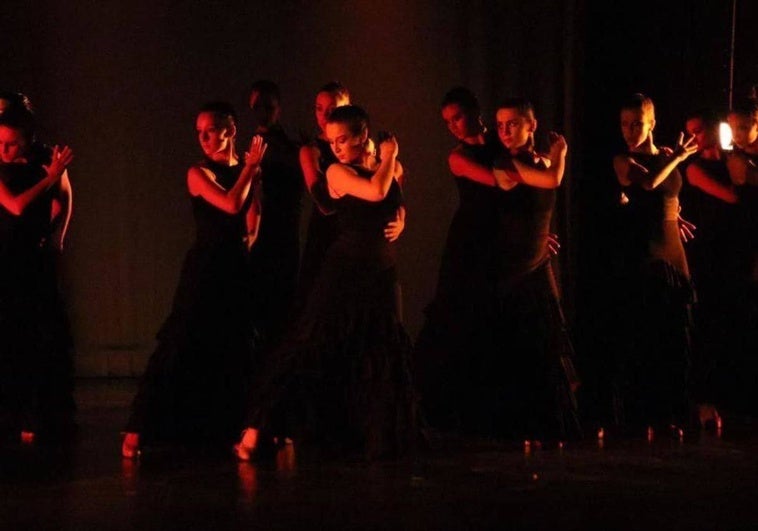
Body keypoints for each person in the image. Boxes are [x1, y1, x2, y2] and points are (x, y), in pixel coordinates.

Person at [235, 105, 414, 461]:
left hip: (381, 271)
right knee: (312, 342)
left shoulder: (383, 167)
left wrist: (402, 219)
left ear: (363, 134)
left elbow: (393, 199)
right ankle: (257, 428)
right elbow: (377, 192)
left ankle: (374, 436)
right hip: (346, 270)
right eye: (332, 141)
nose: (337, 147)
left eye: (344, 139)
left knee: (381, 347)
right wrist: (391, 157)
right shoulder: (336, 171)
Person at [121, 102, 266, 458]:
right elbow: (231, 205)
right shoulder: (197, 173)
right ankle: (136, 431)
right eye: (198, 132)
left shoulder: (247, 171)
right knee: (182, 338)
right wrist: (249, 170)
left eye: (210, 130)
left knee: (233, 345)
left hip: (234, 268)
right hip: (204, 268)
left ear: (229, 130)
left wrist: (248, 247)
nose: (202, 138)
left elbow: (251, 215)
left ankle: (225, 428)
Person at [488, 98, 580, 443]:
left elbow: (538, 207)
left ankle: (549, 424)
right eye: (499, 125)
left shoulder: (540, 161)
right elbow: (553, 180)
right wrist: (562, 153)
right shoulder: (504, 162)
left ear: (531, 125)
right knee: (524, 343)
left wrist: (545, 236)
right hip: (514, 265)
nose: (505, 131)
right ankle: (524, 426)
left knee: (548, 341)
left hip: (538, 259)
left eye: (512, 123)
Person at [413, 87, 504, 434]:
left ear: (475, 109)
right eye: (447, 122)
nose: (453, 126)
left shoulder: (500, 141)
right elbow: (500, 183)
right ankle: (448, 408)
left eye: (458, 117)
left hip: (501, 238)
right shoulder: (458, 156)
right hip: (469, 242)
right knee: (459, 314)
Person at [611, 93, 697, 434]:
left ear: (652, 124)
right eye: (624, 124)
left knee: (675, 334)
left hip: (673, 248)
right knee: (647, 335)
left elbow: (667, 193)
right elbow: (649, 182)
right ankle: (643, 415)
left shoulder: (664, 156)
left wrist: (676, 216)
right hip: (644, 252)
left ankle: (673, 413)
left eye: (636, 124)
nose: (630, 131)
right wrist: (676, 157)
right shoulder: (622, 160)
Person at [0, 107, 75, 444]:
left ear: (27, 140)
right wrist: (49, 176)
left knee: (40, 334)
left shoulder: (45, 158)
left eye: (12, 144)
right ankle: (12, 413)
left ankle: (38, 412)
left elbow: (63, 197)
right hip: (5, 257)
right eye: (0, 142)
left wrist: (57, 236)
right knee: (10, 334)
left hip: (33, 255)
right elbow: (14, 206)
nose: (4, 150)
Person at [297, 82, 404, 310]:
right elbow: (332, 203)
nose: (325, 115)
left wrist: (400, 217)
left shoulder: (380, 162)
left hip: (382, 264)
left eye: (332, 108)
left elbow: (395, 194)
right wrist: (388, 156)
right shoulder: (333, 166)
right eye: (319, 108)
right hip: (341, 244)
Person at [682, 109, 739, 409]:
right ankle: (702, 397)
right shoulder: (693, 168)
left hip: (733, 250)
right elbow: (732, 196)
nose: (695, 138)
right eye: (690, 132)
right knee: (708, 321)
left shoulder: (732, 161)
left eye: (699, 130)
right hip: (707, 252)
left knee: (731, 321)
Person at [246, 80, 303, 344]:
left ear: (278, 109)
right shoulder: (255, 147)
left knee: (285, 298)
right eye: (258, 107)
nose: (263, 112)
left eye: (268, 107)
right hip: (265, 232)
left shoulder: (291, 146)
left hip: (286, 229)